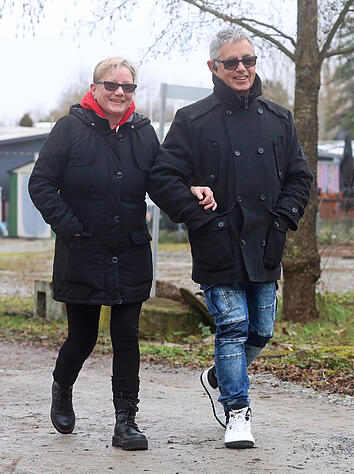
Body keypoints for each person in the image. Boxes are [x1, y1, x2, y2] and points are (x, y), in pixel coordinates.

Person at [29, 56, 215, 451]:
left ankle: (125, 423)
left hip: (129, 250)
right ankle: (62, 388)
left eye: (127, 87)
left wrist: (191, 195)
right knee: (82, 337)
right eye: (111, 85)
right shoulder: (70, 129)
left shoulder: (143, 133)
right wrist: (71, 226)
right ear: (94, 87)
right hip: (82, 250)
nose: (119, 93)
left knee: (126, 336)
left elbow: (163, 184)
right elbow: (41, 184)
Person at [149, 29, 313, 449]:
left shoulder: (279, 118)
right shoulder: (192, 119)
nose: (242, 69)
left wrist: (283, 219)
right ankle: (236, 411)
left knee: (261, 329)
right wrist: (193, 207)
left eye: (248, 60)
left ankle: (217, 377)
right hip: (217, 240)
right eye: (231, 63)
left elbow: (299, 178)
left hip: (265, 242)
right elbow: (163, 178)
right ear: (214, 68)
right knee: (233, 327)